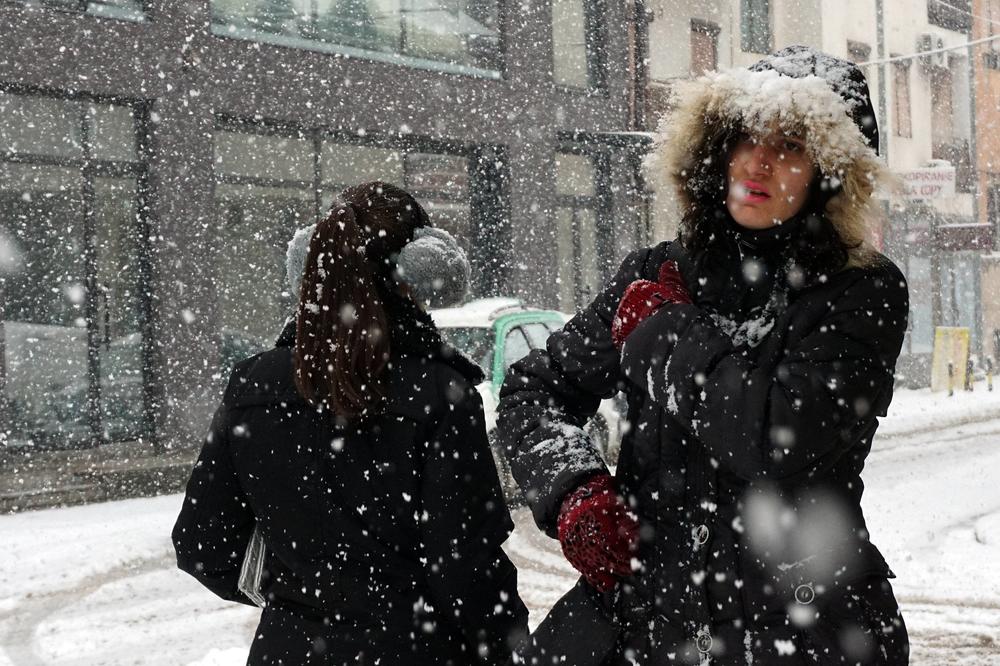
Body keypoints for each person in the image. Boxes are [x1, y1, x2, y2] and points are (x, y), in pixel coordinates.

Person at [498, 46, 910, 665]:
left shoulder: (861, 289)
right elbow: (536, 392)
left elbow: (773, 438)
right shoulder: (659, 270)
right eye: (745, 136)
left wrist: (665, 333)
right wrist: (575, 489)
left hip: (799, 631)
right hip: (648, 625)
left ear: (829, 173)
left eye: (791, 146)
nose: (760, 160)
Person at [173, 181, 528, 666]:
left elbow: (202, 544)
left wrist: (298, 596)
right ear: (421, 273)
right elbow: (466, 567)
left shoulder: (254, 384)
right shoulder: (440, 394)